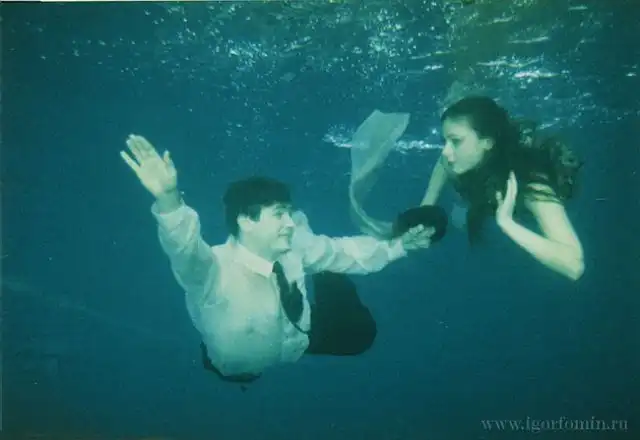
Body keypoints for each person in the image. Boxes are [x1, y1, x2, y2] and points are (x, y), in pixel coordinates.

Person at [120, 134, 434, 384]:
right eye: (279, 214)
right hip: (235, 362)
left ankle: (323, 274)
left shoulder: (295, 244)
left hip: (298, 340)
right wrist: (168, 198)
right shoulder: (211, 271)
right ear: (246, 220)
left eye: (289, 213)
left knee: (359, 333)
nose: (289, 222)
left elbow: (346, 252)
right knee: (234, 370)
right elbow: (183, 248)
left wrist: (399, 247)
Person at [420, 96, 585, 281]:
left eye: (456, 141)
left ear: (487, 142)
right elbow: (443, 163)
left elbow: (574, 265)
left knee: (461, 218)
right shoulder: (457, 158)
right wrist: (427, 204)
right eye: (445, 141)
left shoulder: (531, 184)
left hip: (507, 196)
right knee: (461, 217)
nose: (445, 151)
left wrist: (507, 223)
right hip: (480, 191)